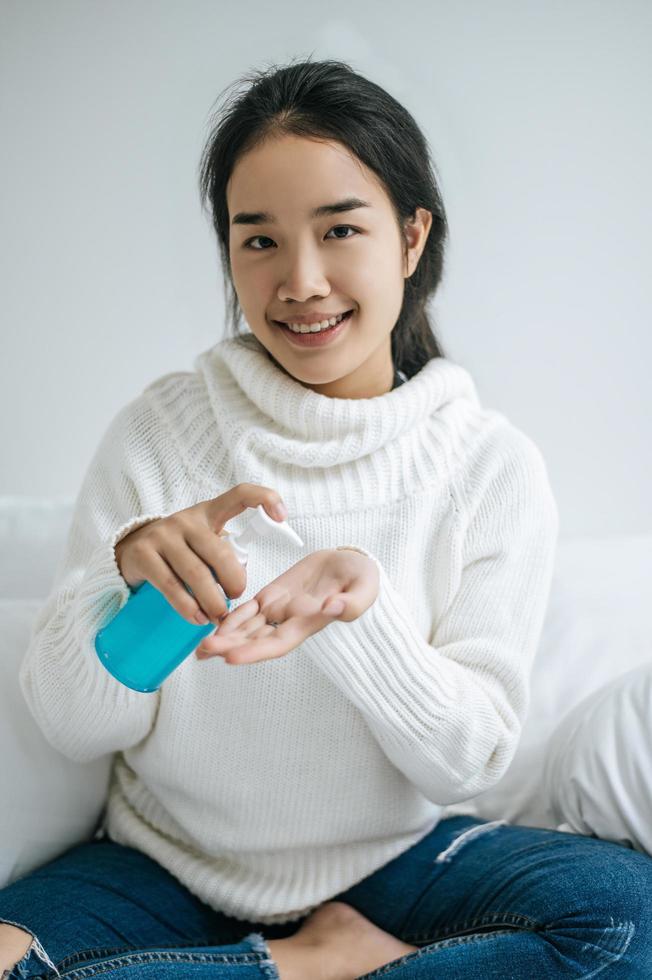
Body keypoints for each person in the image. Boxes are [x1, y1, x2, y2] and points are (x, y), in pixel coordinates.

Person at [2, 56, 651, 980]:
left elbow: (469, 759)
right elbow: (72, 726)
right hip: (162, 863)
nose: (300, 282)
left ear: (412, 236)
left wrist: (361, 615)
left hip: (399, 864)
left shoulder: (486, 466)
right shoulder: (161, 435)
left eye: (340, 229)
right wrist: (131, 594)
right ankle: (322, 968)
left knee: (633, 926)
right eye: (257, 240)